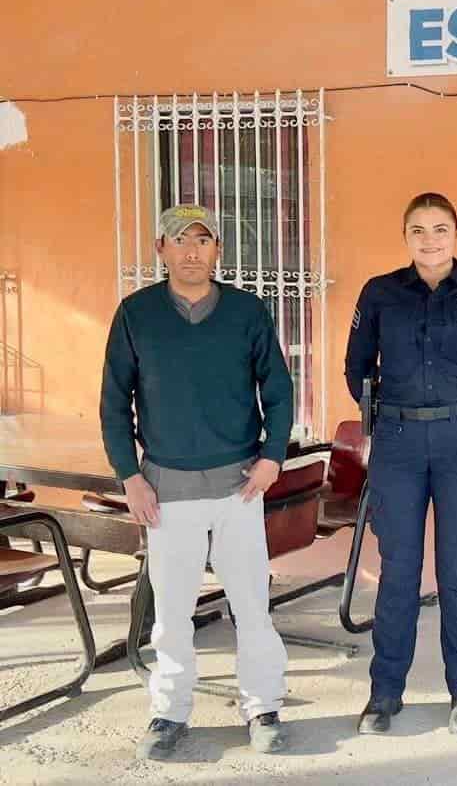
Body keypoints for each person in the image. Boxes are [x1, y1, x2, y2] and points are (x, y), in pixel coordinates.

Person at [100, 204, 293, 760]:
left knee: (252, 603)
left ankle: (263, 705)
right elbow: (115, 403)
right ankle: (169, 711)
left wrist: (272, 457)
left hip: (239, 486)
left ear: (218, 250)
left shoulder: (247, 312)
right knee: (172, 609)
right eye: (179, 241)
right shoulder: (136, 314)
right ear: (160, 250)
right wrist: (129, 476)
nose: (192, 252)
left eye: (203, 241)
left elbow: (277, 390)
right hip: (168, 491)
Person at [345, 192, 457, 737]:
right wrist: (380, 415)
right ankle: (385, 693)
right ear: (406, 236)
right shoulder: (379, 293)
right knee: (398, 572)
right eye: (418, 230)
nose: (430, 240)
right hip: (397, 442)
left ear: (456, 232)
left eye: (440, 229)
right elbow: (356, 366)